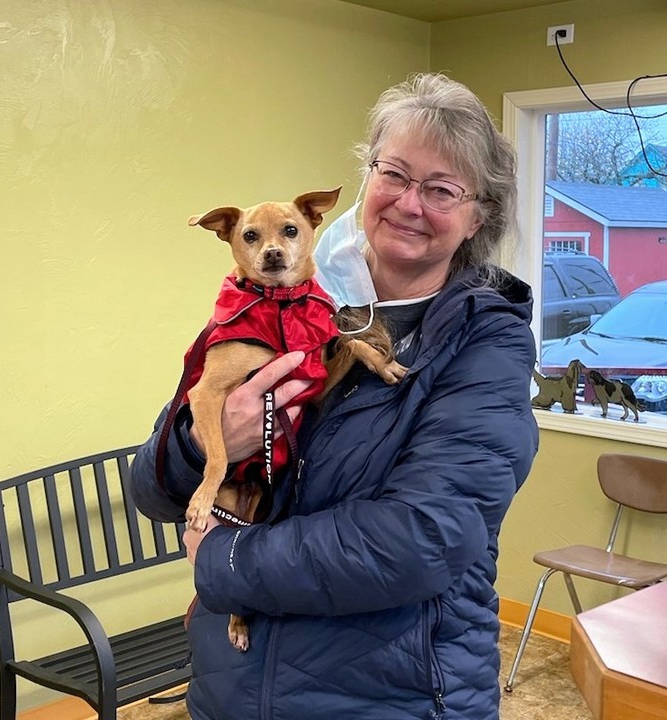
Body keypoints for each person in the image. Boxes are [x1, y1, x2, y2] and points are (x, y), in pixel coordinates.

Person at [129, 72, 539, 720]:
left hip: (387, 701)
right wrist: (208, 439)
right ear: (368, 177)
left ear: (476, 215)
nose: (409, 202)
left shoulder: (484, 346)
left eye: (441, 189)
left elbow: (418, 540)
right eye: (395, 173)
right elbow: (150, 489)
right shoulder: (266, 307)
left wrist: (222, 558)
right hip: (228, 692)